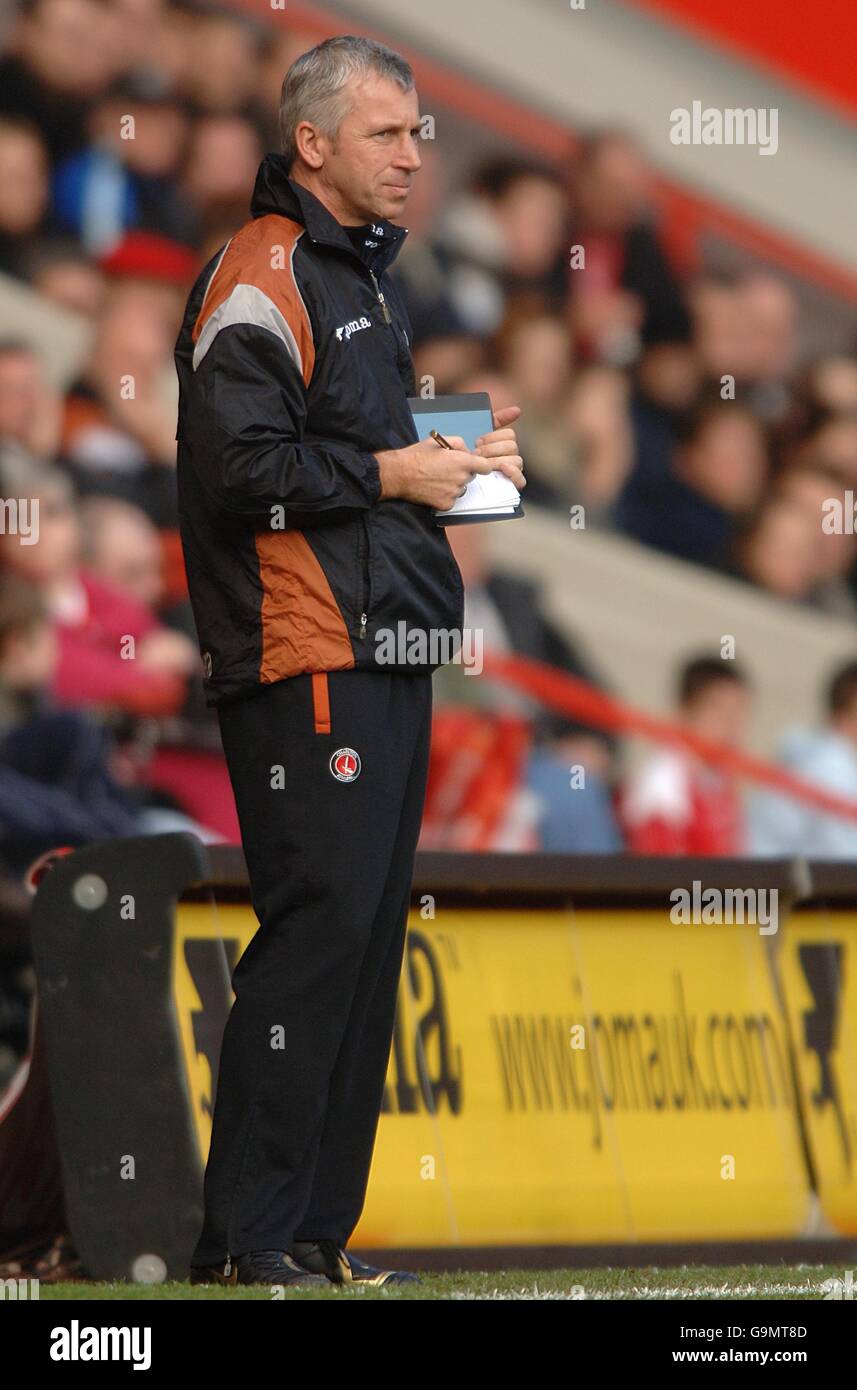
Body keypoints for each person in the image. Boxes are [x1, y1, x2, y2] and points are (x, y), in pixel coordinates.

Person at [174, 35, 525, 1289]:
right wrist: (396, 468)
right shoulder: (260, 274)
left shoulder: (366, 284)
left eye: (420, 132)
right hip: (304, 645)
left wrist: (460, 465)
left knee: (368, 942)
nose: (413, 154)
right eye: (387, 132)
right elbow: (242, 475)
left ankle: (315, 1235)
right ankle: (245, 1242)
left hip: (389, 642)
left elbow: (359, 467)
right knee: (319, 934)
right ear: (311, 142)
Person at [620, 656, 750, 856]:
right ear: (686, 709)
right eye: (719, 712)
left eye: (737, 714)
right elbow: (659, 874)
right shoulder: (662, 784)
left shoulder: (718, 777)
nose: (731, 726)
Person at [750, 663, 857, 858]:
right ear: (844, 715)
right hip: (772, 880)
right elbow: (841, 851)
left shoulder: (815, 755)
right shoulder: (826, 767)